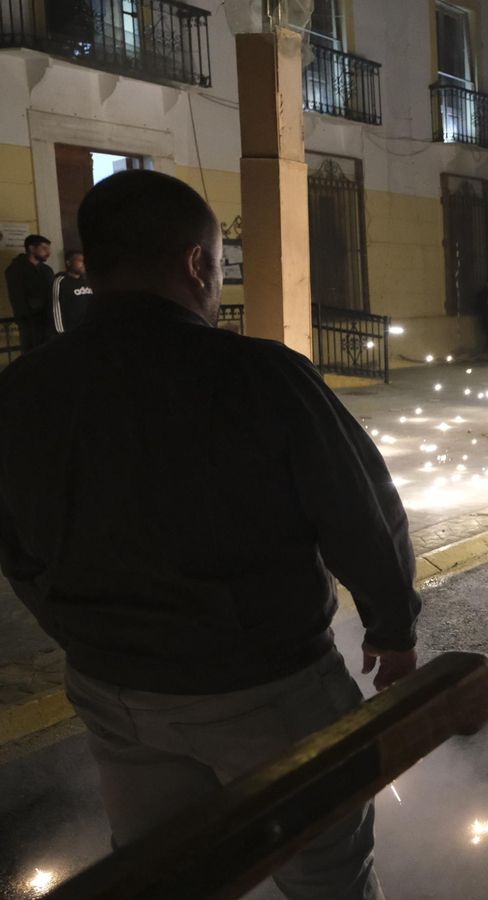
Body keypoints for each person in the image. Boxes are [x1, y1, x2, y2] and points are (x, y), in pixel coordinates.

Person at [0, 170, 418, 900]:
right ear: (197, 262)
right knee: (326, 874)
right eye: (220, 264)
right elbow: (362, 512)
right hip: (266, 686)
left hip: (111, 690)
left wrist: (86, 635)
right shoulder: (260, 375)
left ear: (93, 267)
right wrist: (392, 624)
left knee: (163, 870)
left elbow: (14, 547)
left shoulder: (21, 389)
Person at [5, 234, 54, 353]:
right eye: (44, 248)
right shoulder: (16, 269)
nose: (48, 252)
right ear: (32, 248)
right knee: (32, 353)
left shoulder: (46, 270)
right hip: (29, 320)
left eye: (48, 248)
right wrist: (24, 317)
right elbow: (17, 297)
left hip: (47, 318)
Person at [51, 250, 94, 334]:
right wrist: (61, 332)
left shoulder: (86, 281)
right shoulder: (61, 281)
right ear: (68, 263)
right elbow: (56, 307)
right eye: (80, 261)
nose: (83, 264)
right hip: (70, 330)